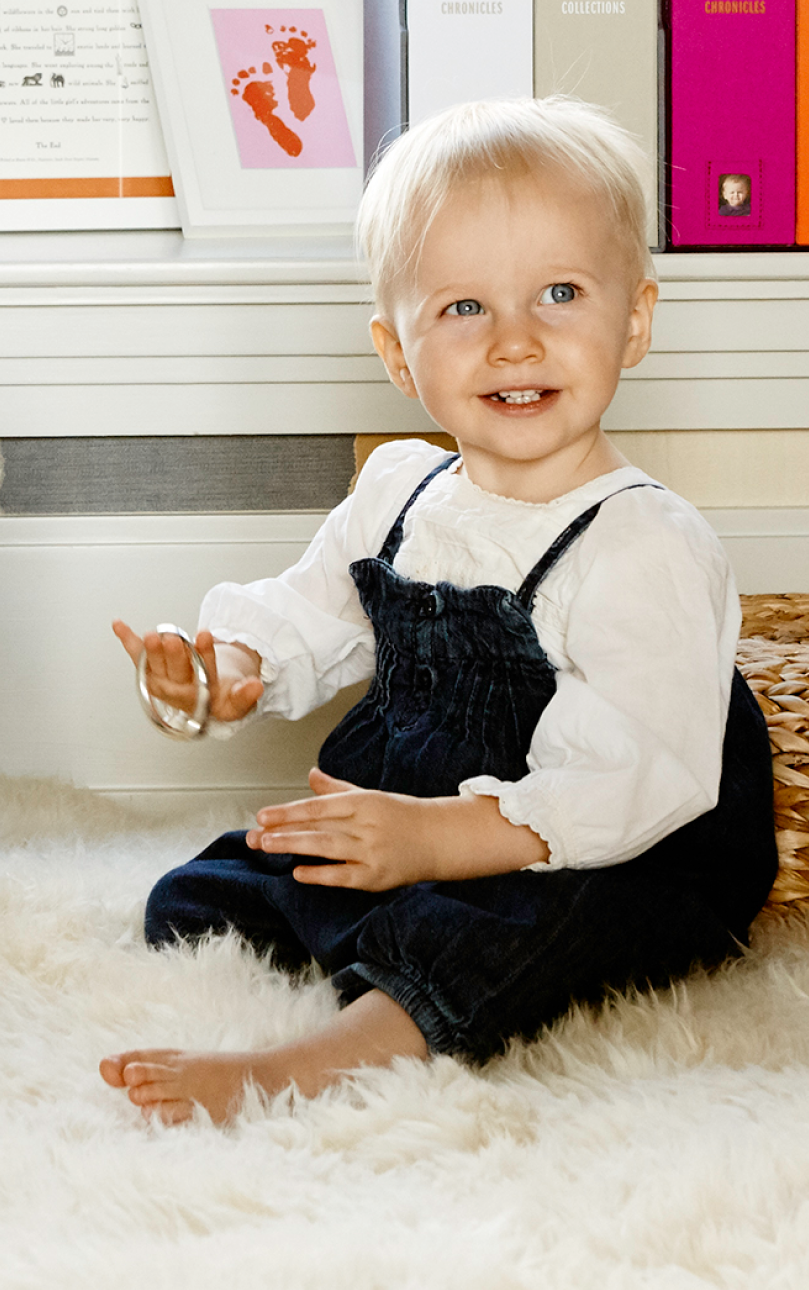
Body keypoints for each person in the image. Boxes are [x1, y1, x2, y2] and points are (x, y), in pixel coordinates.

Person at [100, 97, 777, 1123]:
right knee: (205, 894)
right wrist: (226, 667)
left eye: (559, 293)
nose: (514, 342)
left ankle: (317, 1060)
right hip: (415, 803)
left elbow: (636, 778)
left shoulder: (644, 542)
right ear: (398, 353)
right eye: (465, 309)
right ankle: (381, 933)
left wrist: (436, 841)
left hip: (599, 834)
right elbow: (309, 611)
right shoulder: (400, 491)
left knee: (518, 922)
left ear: (633, 320)